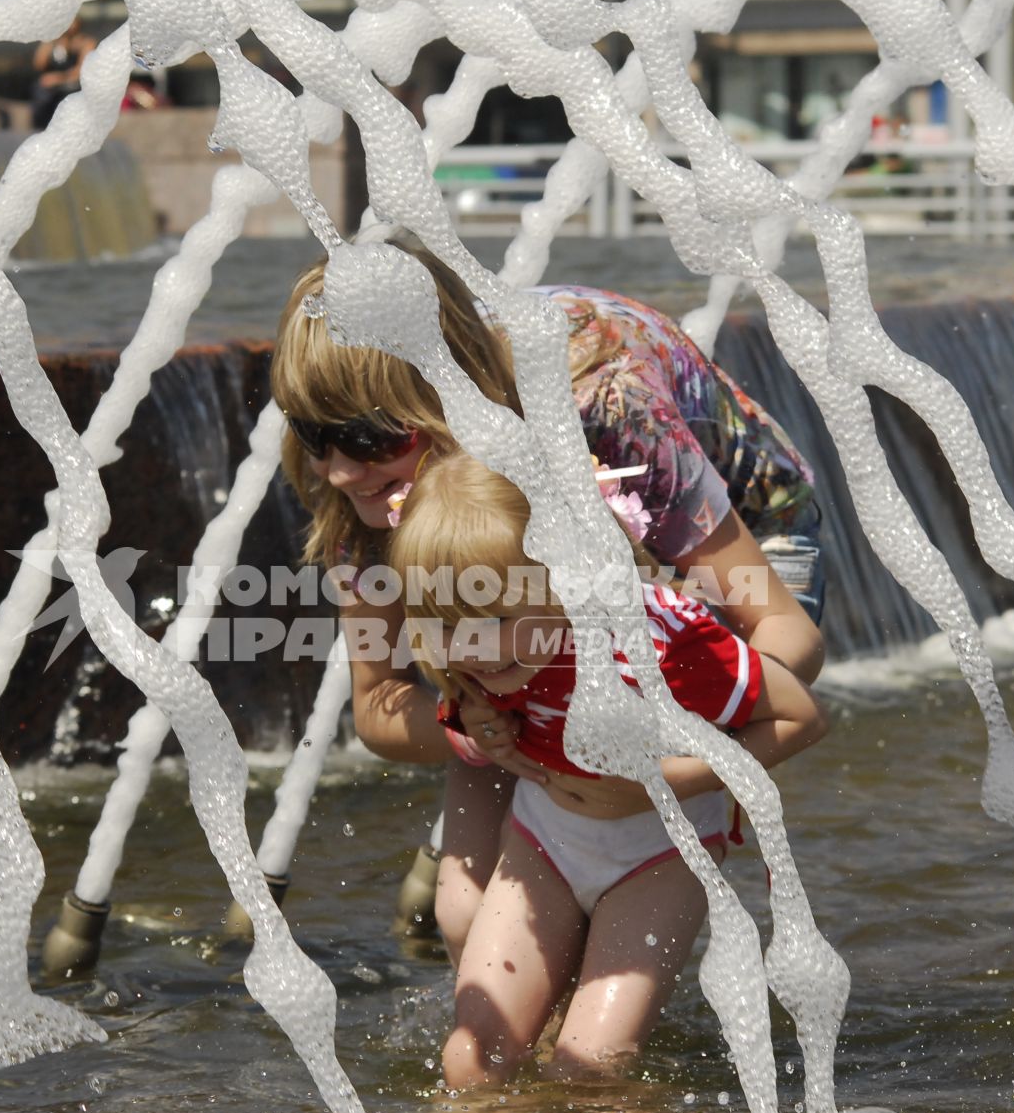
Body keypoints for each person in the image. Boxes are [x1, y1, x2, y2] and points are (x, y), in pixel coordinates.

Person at [271, 243, 826, 962]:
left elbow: (788, 640)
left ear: (444, 396)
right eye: (316, 436)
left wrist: (656, 777)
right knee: (465, 917)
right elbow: (377, 707)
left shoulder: (607, 407)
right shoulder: (362, 485)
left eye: (366, 438)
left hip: (724, 540)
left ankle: (601, 1057)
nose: (340, 469)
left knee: (604, 894)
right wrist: (477, 727)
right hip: (524, 602)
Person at [386, 454, 828, 1085]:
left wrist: (659, 783)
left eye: (494, 621)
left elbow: (803, 718)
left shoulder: (660, 644)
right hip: (545, 840)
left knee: (591, 1069)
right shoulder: (484, 654)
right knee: (472, 1058)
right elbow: (466, 682)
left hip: (660, 854)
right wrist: (481, 725)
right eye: (446, 628)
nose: (471, 648)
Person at [30, 19, 93, 131]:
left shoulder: (85, 43)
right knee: (41, 92)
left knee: (66, 99)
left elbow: (81, 70)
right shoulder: (54, 42)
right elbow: (39, 64)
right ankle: (41, 129)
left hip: (72, 83)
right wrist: (50, 42)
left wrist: (58, 78)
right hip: (51, 84)